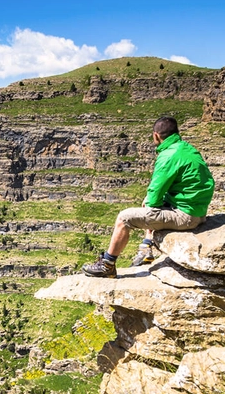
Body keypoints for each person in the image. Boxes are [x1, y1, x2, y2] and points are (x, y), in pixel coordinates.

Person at [82, 116, 214, 278]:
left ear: (156, 135)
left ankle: (107, 265)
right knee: (151, 205)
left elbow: (153, 198)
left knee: (124, 219)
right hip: (197, 211)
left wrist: (150, 202)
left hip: (186, 216)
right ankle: (146, 246)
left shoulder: (168, 157)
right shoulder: (186, 149)